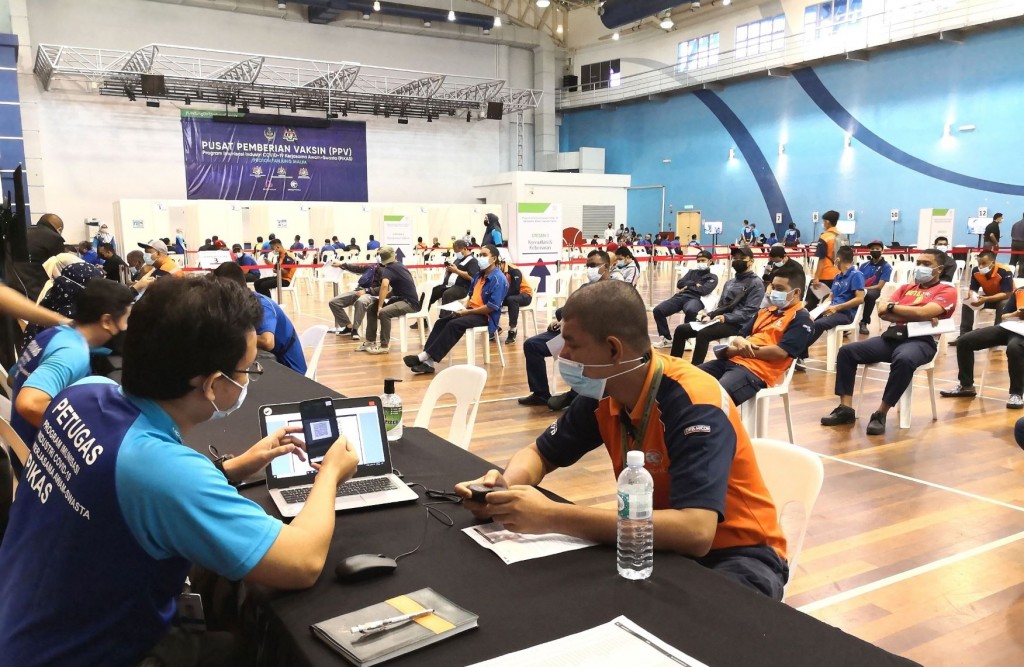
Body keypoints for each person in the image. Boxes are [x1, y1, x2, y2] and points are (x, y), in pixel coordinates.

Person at [0, 275, 359, 667]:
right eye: (245, 371)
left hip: (21, 619)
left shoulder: (84, 393)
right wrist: (330, 475)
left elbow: (115, 488)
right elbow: (303, 561)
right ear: (210, 384)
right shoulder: (162, 471)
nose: (246, 381)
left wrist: (235, 467)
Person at [456, 280, 788, 599]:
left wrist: (552, 516)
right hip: (650, 541)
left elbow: (696, 532)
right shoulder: (604, 390)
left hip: (738, 556)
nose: (561, 354)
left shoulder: (693, 403)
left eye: (571, 343)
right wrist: (503, 489)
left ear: (613, 349)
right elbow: (540, 453)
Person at [821, 248, 956, 436]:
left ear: (939, 270)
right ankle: (845, 409)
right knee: (847, 352)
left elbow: (923, 313)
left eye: (927, 264)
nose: (920, 268)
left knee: (904, 360)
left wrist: (902, 309)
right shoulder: (905, 288)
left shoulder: (947, 290)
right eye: (919, 263)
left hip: (922, 341)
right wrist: (914, 311)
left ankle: (880, 413)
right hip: (894, 336)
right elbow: (882, 312)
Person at [10, 279, 134, 461]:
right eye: (125, 320)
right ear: (106, 321)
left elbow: (12, 379)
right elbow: (29, 404)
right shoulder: (73, 353)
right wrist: (84, 436)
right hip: (40, 455)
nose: (125, 327)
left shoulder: (54, 333)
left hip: (21, 438)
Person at [699, 265, 812, 406]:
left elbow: (780, 353)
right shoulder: (765, 311)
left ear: (796, 293)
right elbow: (740, 335)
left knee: (715, 397)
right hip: (731, 361)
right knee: (685, 380)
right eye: (774, 287)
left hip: (755, 372)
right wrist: (739, 342)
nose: (774, 292)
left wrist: (739, 350)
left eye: (780, 289)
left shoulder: (801, 319)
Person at [518, 250, 612, 409]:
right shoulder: (585, 287)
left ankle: (576, 395)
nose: (590, 269)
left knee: (584, 353)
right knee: (532, 345)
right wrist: (561, 320)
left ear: (606, 266)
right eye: (588, 265)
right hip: (567, 333)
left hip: (592, 339)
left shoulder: (614, 290)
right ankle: (540, 394)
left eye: (594, 265)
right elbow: (566, 309)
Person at [403, 244, 508, 375]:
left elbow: (491, 307)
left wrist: (467, 312)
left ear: (494, 259)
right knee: (441, 322)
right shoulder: (479, 276)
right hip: (471, 310)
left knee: (454, 324)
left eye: (485, 255)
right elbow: (470, 295)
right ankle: (428, 363)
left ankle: (423, 357)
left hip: (486, 316)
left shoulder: (498, 280)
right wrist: (463, 307)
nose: (481, 258)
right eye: (480, 255)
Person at [669, 247, 764, 363]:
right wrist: (710, 315)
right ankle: (673, 364)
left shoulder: (756, 284)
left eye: (742, 258)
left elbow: (749, 311)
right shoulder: (730, 282)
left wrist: (726, 317)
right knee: (681, 330)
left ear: (751, 261)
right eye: (735, 258)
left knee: (704, 334)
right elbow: (722, 306)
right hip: (720, 320)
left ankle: (696, 369)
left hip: (738, 324)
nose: (738, 261)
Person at [213, 262, 307, 375]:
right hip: (272, 359)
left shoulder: (262, 304)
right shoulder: (237, 303)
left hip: (290, 369)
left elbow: (268, 342)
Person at [941, 286, 1024, 409]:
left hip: (1021, 334)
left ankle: (1016, 394)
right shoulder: (1020, 291)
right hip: (1009, 327)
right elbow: (1005, 316)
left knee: (1014, 348)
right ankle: (966, 386)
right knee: (964, 341)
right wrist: (1017, 313)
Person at [796, 246, 865, 368]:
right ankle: (799, 355)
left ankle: (796, 354)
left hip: (845, 314)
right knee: (805, 318)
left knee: (819, 324)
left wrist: (836, 308)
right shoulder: (838, 276)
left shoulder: (856, 275)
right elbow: (831, 297)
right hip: (831, 310)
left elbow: (860, 299)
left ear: (837, 260)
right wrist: (820, 309)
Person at [652, 250, 718, 349]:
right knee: (658, 310)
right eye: (698, 260)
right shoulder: (691, 272)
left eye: (703, 260)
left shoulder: (712, 277)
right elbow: (680, 284)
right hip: (681, 296)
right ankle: (667, 339)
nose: (700, 263)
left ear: (710, 261)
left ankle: (688, 339)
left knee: (691, 310)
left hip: (696, 299)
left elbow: (704, 290)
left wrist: (688, 285)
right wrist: (694, 284)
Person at [361, 247, 420, 354]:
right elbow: (398, 289)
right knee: (371, 308)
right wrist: (384, 298)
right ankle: (370, 341)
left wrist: (380, 306)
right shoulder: (399, 266)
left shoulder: (390, 269)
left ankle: (384, 346)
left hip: (410, 303)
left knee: (384, 312)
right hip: (400, 299)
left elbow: (384, 286)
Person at [953, 249, 1012, 341]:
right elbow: (973, 289)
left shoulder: (1004, 271)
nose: (980, 266)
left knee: (1003, 304)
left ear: (992, 263)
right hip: (988, 298)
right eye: (979, 263)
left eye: (984, 263)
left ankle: (997, 336)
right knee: (967, 303)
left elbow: (1007, 294)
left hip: (1006, 300)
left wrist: (986, 299)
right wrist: (972, 296)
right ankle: (964, 335)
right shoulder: (976, 271)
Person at [14, 213, 66, 301]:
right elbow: (59, 270)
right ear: (59, 229)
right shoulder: (55, 238)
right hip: (38, 290)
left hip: (14, 288)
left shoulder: (21, 233)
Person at [328, 261, 382, 339]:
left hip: (371, 294)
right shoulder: (372, 267)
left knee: (360, 302)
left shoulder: (388, 271)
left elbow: (385, 288)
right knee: (334, 302)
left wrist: (367, 291)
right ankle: (348, 326)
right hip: (358, 290)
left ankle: (355, 329)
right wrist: (342, 265)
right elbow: (356, 268)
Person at [425, 239, 479, 312]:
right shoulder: (458, 259)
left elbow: (471, 277)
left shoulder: (473, 261)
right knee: (430, 293)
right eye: (455, 252)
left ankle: (444, 320)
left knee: (447, 294)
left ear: (465, 248)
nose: (457, 254)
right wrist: (450, 270)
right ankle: (423, 317)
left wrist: (456, 271)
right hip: (448, 285)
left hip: (462, 288)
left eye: (458, 252)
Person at [808, 210, 841, 311]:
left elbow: (821, 259)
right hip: (838, 274)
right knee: (830, 302)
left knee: (810, 302)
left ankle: (809, 322)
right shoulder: (842, 236)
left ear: (827, 222)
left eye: (823, 222)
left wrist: (816, 277)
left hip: (825, 275)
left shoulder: (824, 237)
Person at [857, 240, 892, 335]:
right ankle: (847, 320)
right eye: (872, 249)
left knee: (870, 296)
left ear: (882, 250)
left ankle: (864, 322)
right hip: (861, 288)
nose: (874, 250)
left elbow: (879, 286)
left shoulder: (886, 267)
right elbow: (857, 279)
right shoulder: (864, 265)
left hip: (874, 290)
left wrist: (864, 289)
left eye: (877, 249)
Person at [499, 256, 533, 344]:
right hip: (509, 295)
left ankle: (512, 330)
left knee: (512, 299)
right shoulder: (496, 272)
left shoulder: (514, 270)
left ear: (501, 262)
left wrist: (501, 298)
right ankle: (494, 327)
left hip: (525, 295)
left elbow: (515, 290)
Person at [1010, 213, 1024, 278]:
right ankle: (1021, 277)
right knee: (1022, 261)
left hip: (1014, 243)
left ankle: (1010, 275)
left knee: (1013, 260)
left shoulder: (1015, 224)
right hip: (1022, 244)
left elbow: (1012, 234)